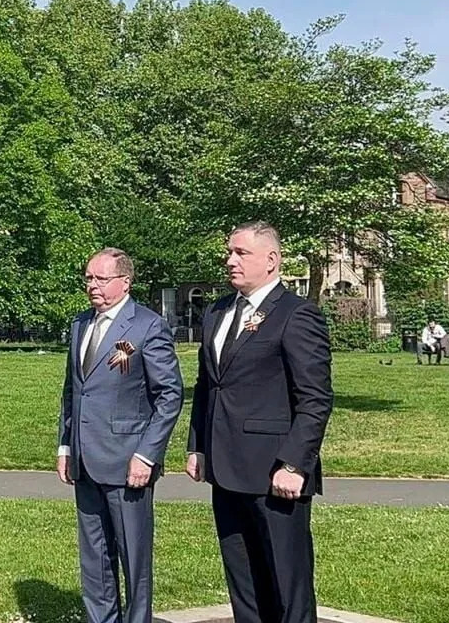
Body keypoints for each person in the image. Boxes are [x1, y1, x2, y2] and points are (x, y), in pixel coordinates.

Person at [186, 222, 334, 623]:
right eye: (229, 253)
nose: (230, 260)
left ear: (271, 260)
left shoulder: (297, 316)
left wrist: (294, 464)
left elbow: (315, 399)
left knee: (287, 584)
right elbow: (207, 384)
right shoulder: (217, 312)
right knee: (244, 583)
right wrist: (197, 444)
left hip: (275, 472)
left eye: (240, 253)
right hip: (225, 467)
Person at [58, 247, 184, 623]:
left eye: (101, 279)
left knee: (134, 557)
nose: (92, 286)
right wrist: (65, 445)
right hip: (84, 460)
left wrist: (147, 454)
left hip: (128, 461)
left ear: (124, 282)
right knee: (94, 558)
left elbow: (169, 394)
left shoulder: (147, 326)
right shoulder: (81, 324)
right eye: (88, 279)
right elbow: (72, 390)